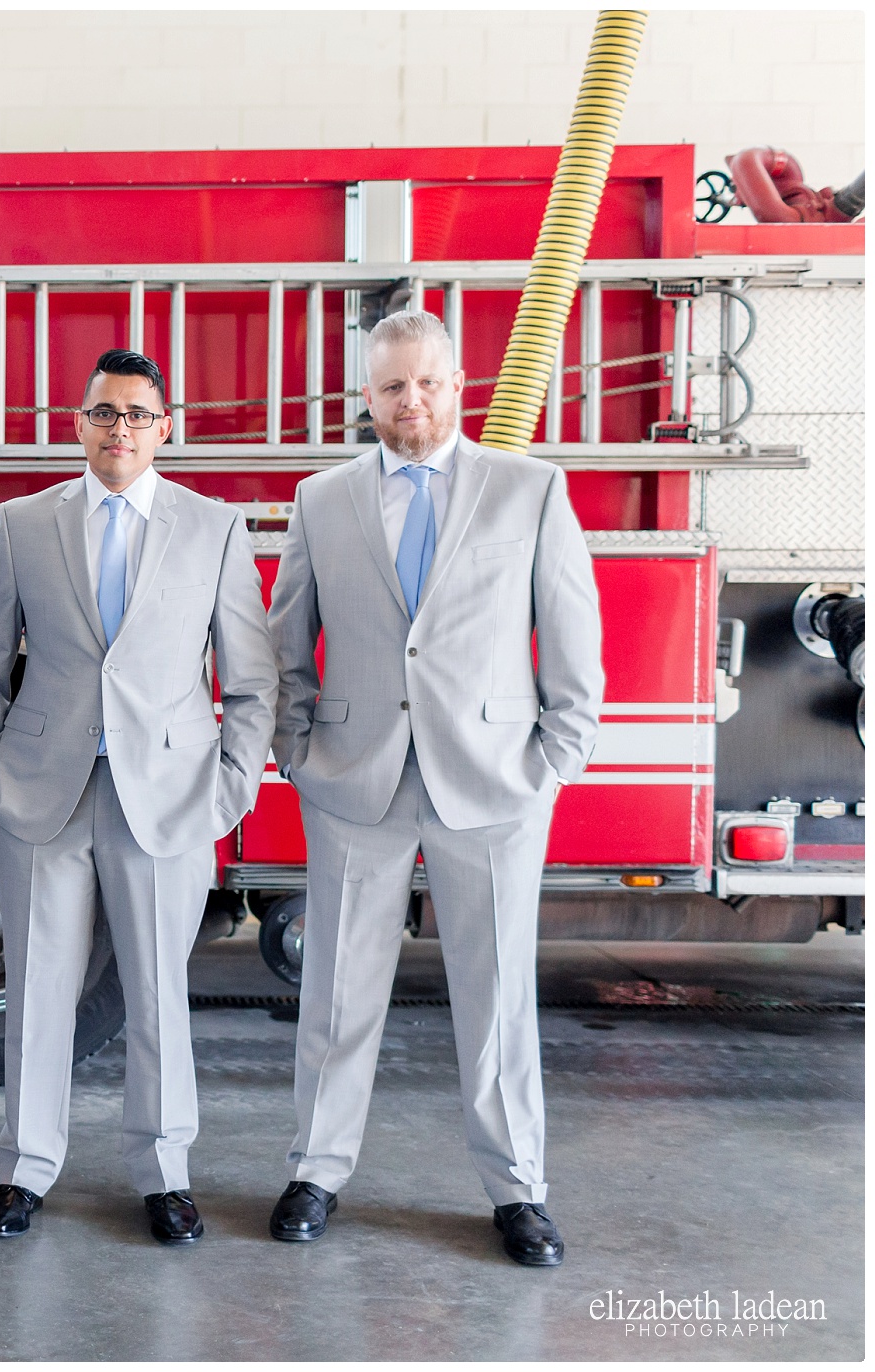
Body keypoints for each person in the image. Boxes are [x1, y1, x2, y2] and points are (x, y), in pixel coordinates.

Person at [264, 309, 603, 1267]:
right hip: (354, 777)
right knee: (336, 987)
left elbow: (570, 630)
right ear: (364, 397)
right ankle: (316, 1172)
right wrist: (298, 747)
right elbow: (289, 637)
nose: (411, 401)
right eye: (391, 387)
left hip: (494, 781)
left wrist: (554, 760)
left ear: (460, 386)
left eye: (427, 382)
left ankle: (518, 1191)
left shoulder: (529, 490)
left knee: (496, 997)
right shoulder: (321, 499)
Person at [0, 348, 278, 1245]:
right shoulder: (24, 524)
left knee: (157, 995)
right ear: (79, 423)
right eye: (104, 413)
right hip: (42, 795)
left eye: (138, 413)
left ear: (166, 427)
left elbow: (252, 683)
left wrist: (227, 794)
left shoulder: (213, 528)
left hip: (168, 799)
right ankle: (24, 1170)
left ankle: (164, 1173)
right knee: (38, 992)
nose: (120, 428)